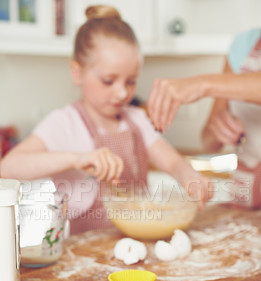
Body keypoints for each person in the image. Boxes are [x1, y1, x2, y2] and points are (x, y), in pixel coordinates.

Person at [0, 5, 213, 235]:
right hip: (82, 250)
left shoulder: (137, 119)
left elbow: (171, 162)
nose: (122, 93)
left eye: (130, 82)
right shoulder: (64, 123)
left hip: (135, 239)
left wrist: (189, 176)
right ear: (77, 73)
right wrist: (75, 158)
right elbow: (9, 167)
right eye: (109, 81)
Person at [147, 27, 261, 209]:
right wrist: (219, 130)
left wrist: (203, 83)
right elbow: (208, 142)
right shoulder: (243, 45)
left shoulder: (208, 83)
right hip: (246, 197)